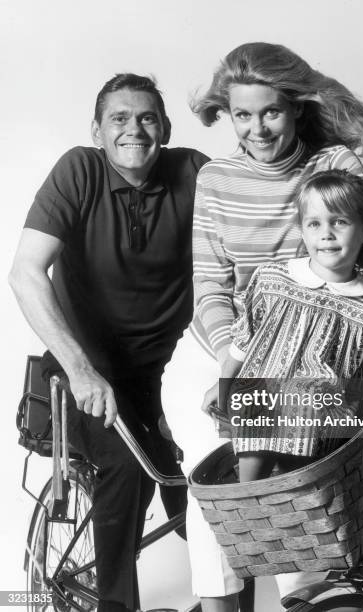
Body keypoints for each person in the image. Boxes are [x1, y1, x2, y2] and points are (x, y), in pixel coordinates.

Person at [160, 42, 363, 612]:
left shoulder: (334, 165)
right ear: (227, 113)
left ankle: (310, 600)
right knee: (226, 482)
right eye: (242, 114)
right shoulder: (218, 180)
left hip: (316, 351)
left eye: (271, 112)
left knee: (305, 486)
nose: (257, 128)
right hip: (226, 348)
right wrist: (244, 369)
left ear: (297, 107)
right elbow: (211, 289)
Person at [9, 73, 209, 612]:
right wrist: (79, 369)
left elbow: (256, 231)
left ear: (165, 128)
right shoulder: (79, 169)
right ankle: (116, 607)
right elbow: (26, 272)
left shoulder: (193, 171)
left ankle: (229, 600)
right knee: (124, 467)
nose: (134, 129)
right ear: (97, 130)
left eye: (147, 117)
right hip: (80, 370)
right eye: (119, 118)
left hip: (157, 376)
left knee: (207, 495)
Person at [206, 169, 363, 482]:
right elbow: (243, 341)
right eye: (314, 223)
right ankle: (250, 493)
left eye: (339, 221)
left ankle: (303, 491)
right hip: (262, 406)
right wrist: (221, 383)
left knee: (305, 400)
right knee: (256, 397)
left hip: (323, 418)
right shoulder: (272, 279)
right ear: (302, 230)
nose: (326, 233)